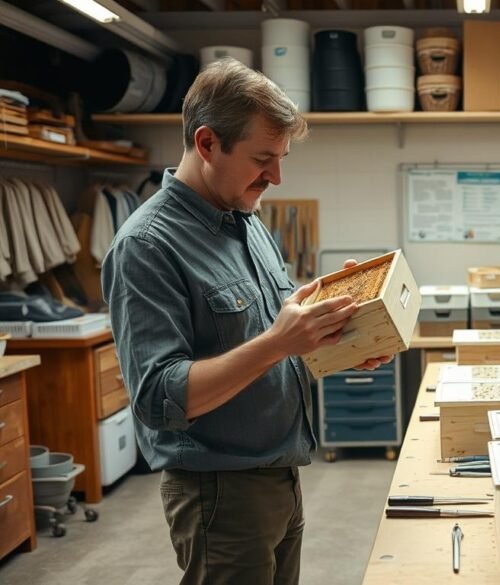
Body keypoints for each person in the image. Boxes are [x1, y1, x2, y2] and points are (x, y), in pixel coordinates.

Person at [101, 58, 391, 585]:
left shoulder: (247, 222)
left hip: (280, 476)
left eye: (280, 158)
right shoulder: (146, 246)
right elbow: (159, 398)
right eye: (263, 158)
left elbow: (270, 341)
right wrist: (280, 343)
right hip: (220, 497)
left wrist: (342, 339)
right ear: (207, 143)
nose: (276, 176)